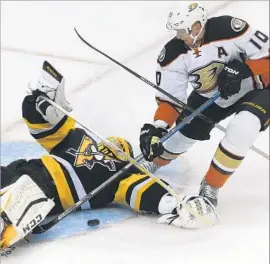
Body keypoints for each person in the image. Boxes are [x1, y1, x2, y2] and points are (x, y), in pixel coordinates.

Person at [0, 61, 217, 249]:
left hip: (45, 192)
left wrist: (178, 205)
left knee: (24, 193)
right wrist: (38, 102)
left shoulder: (120, 177)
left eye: (122, 147)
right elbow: (42, 125)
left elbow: (147, 194)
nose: (116, 144)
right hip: (22, 170)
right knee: (11, 178)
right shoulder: (79, 138)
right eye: (116, 142)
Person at [139, 2, 269, 207]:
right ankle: (149, 163)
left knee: (243, 127)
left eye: (183, 31)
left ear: (197, 26)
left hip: (260, 87)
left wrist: (244, 69)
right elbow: (170, 101)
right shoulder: (172, 55)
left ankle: (210, 189)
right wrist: (158, 127)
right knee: (179, 136)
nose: (179, 36)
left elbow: (267, 54)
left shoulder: (229, 28)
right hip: (214, 95)